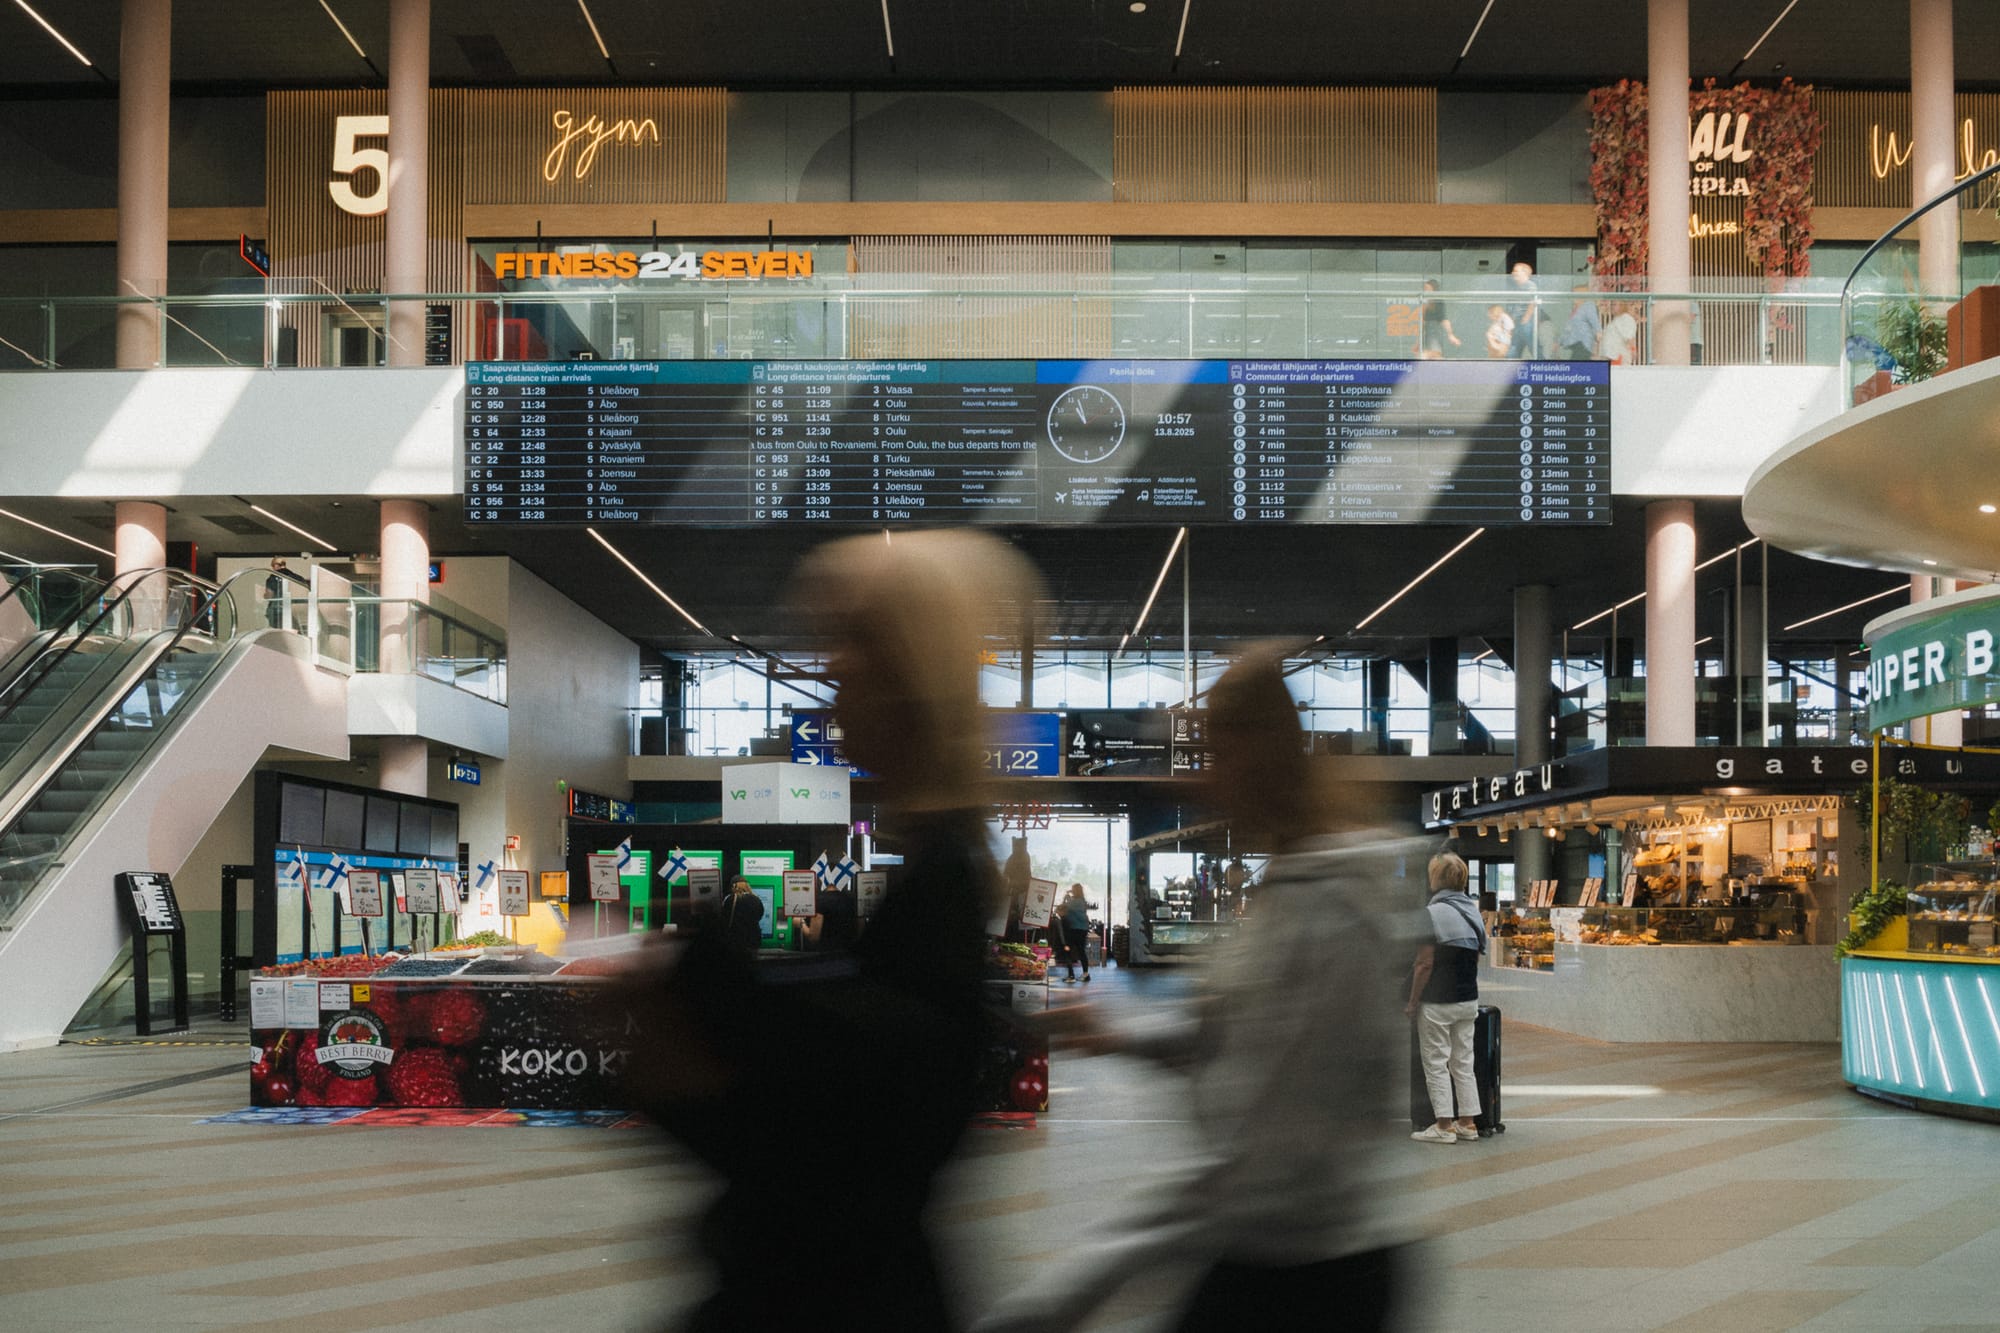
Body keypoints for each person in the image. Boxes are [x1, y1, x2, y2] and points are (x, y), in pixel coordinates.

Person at [625, 529, 1037, 1333]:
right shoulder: (937, 874)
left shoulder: (940, 890)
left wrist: (699, 1019)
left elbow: (840, 1160)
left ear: (913, 672)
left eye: (860, 641)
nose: (834, 667)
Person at [979, 644, 1418, 1333]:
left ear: (1260, 754)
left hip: (1308, 1276)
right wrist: (1117, 1035)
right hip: (1282, 1255)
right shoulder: (1292, 889)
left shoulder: (1328, 909)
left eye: (1217, 753)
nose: (1204, 778)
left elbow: (1265, 1150)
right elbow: (1235, 1041)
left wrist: (1071, 1292)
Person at [1406, 851, 1485, 1145]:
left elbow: (1424, 964)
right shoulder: (1473, 913)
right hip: (1468, 999)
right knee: (1463, 1062)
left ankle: (1443, 1125)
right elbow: (1476, 958)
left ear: (1435, 879)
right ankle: (1468, 1123)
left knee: (1436, 1062)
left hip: (1438, 1000)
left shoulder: (1431, 914)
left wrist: (1413, 1001)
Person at [1058, 883, 1095, 983]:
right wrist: (1069, 896)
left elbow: (1062, 907)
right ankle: (1085, 974)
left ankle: (1071, 976)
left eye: (1073, 889)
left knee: (1068, 951)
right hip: (1082, 929)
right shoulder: (1081, 901)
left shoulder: (1075, 902)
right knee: (1081, 951)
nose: (1072, 891)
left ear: (1075, 891)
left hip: (1075, 929)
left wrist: (1066, 896)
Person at [720, 875, 763, 955]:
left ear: (734, 886)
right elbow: (760, 915)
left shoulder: (730, 899)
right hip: (753, 938)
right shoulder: (756, 899)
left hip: (736, 938)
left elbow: (725, 917)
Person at [1417, 279, 1459, 358]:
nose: (1426, 291)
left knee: (1432, 355)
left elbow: (1444, 319)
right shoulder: (1425, 304)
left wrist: (1450, 334)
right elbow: (1422, 324)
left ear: (1434, 290)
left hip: (1435, 332)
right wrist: (1418, 342)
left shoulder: (1438, 303)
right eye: (1425, 289)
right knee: (1430, 357)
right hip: (1427, 334)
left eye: (1428, 289)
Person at [1505, 260, 1538, 357]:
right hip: (1517, 322)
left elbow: (1533, 302)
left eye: (1516, 271)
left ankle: (1543, 364)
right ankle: (1510, 363)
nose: (1512, 273)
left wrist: (1526, 318)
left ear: (1524, 273)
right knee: (1513, 347)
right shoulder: (1516, 288)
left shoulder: (1530, 285)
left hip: (1525, 322)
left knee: (1533, 346)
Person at [1558, 286, 1600, 360]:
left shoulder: (1588, 305)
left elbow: (1594, 320)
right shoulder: (1575, 309)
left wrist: (1598, 332)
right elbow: (1567, 328)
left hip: (1582, 343)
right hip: (1575, 344)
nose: (1572, 296)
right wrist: (1559, 341)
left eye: (1574, 294)